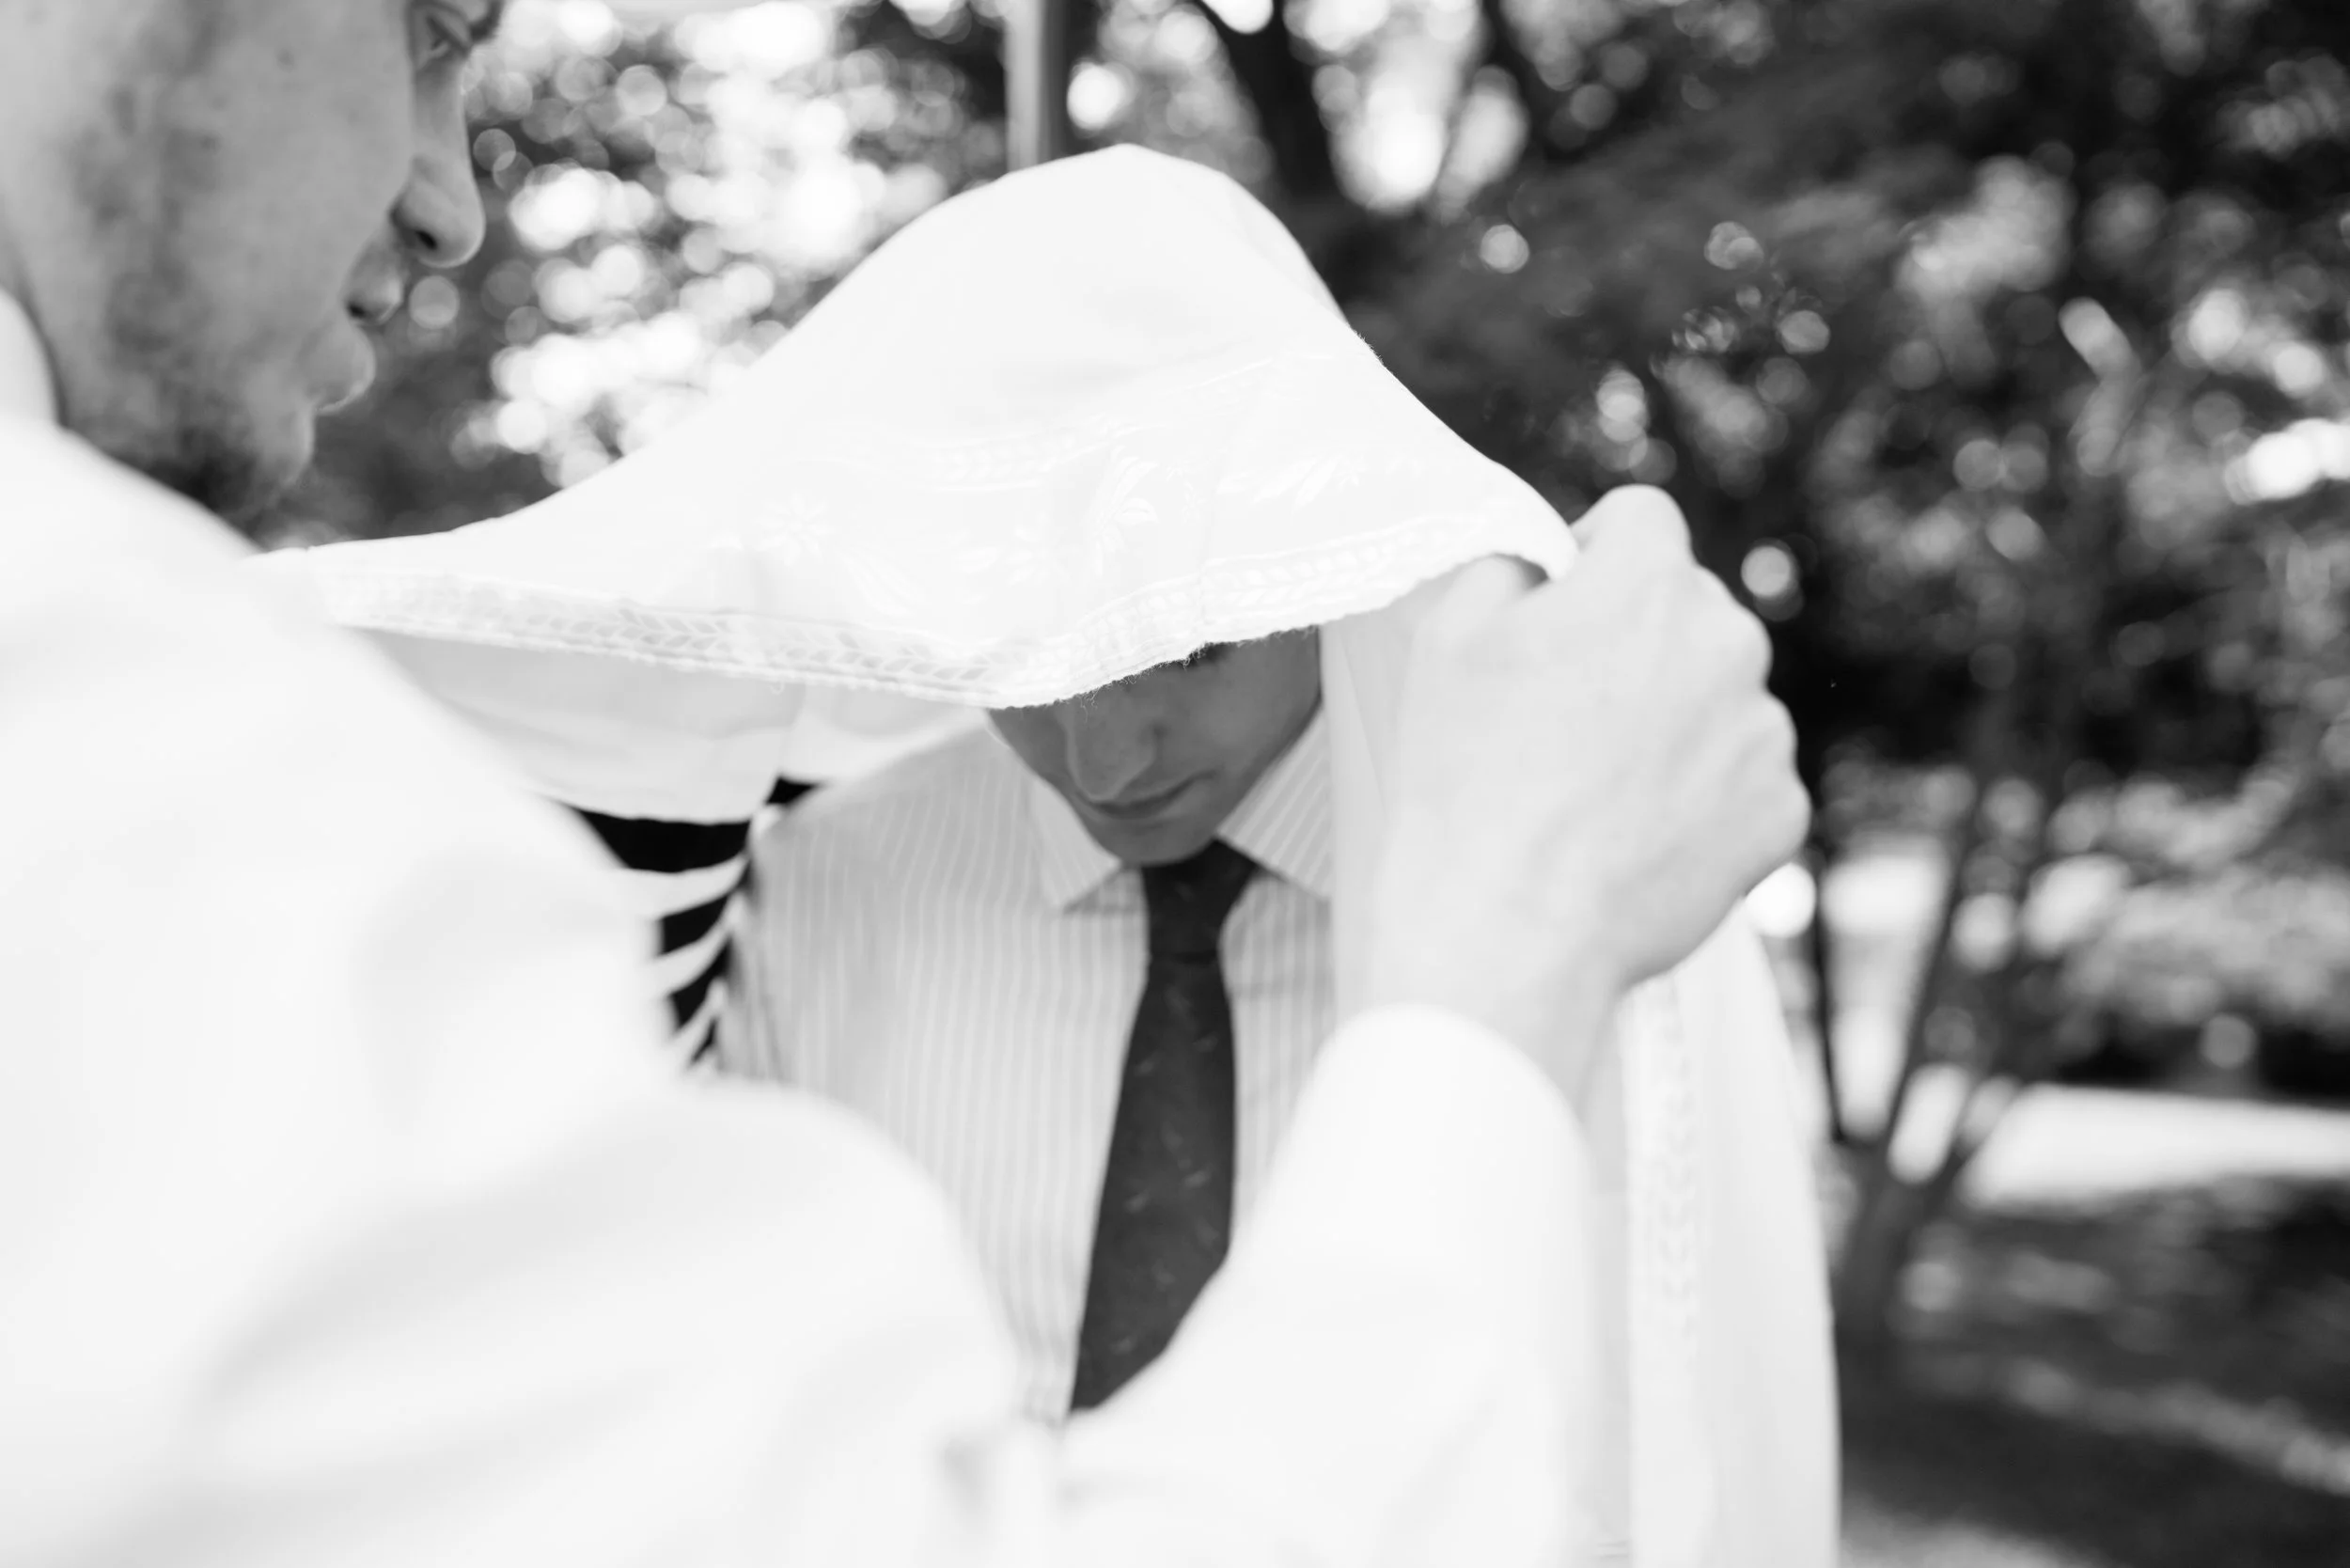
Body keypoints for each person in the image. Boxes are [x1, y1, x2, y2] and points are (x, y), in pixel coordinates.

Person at [0, 8, 1812, 1568]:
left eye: (1190, 648)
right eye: (426, 22)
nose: (1111, 756)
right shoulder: (132, 751)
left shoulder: (1636, 917)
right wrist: (1494, 1003)